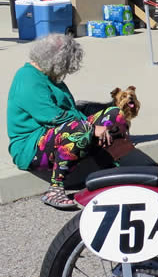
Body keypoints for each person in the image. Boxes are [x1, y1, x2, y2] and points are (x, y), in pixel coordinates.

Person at [6, 33, 130, 210]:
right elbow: (53, 117)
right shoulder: (28, 79)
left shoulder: (49, 76)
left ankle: (109, 170)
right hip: (31, 147)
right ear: (57, 61)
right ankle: (55, 189)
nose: (67, 72)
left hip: (57, 133)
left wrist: (95, 124)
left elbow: (71, 111)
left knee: (114, 114)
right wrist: (91, 127)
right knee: (79, 130)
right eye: (67, 66)